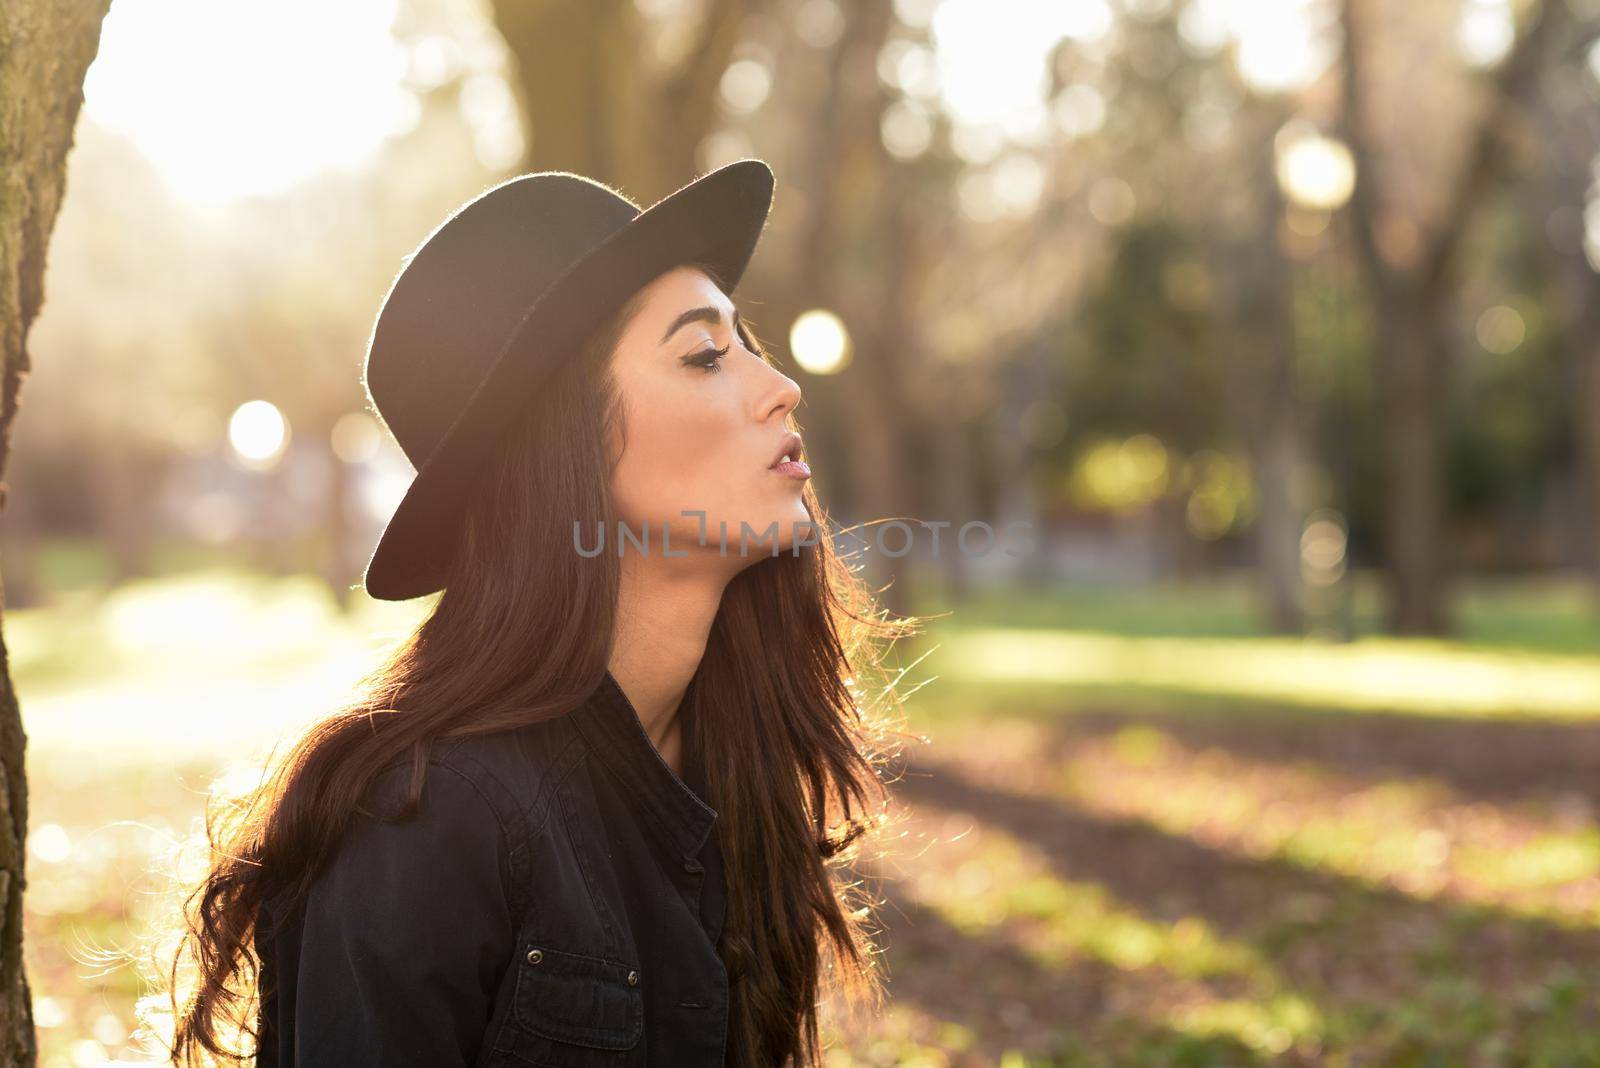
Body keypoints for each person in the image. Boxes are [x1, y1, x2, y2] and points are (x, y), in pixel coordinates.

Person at [161, 158, 921, 1067]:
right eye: (706, 355)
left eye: (745, 342)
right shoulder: (422, 827)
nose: (779, 386)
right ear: (568, 447)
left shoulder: (734, 770)